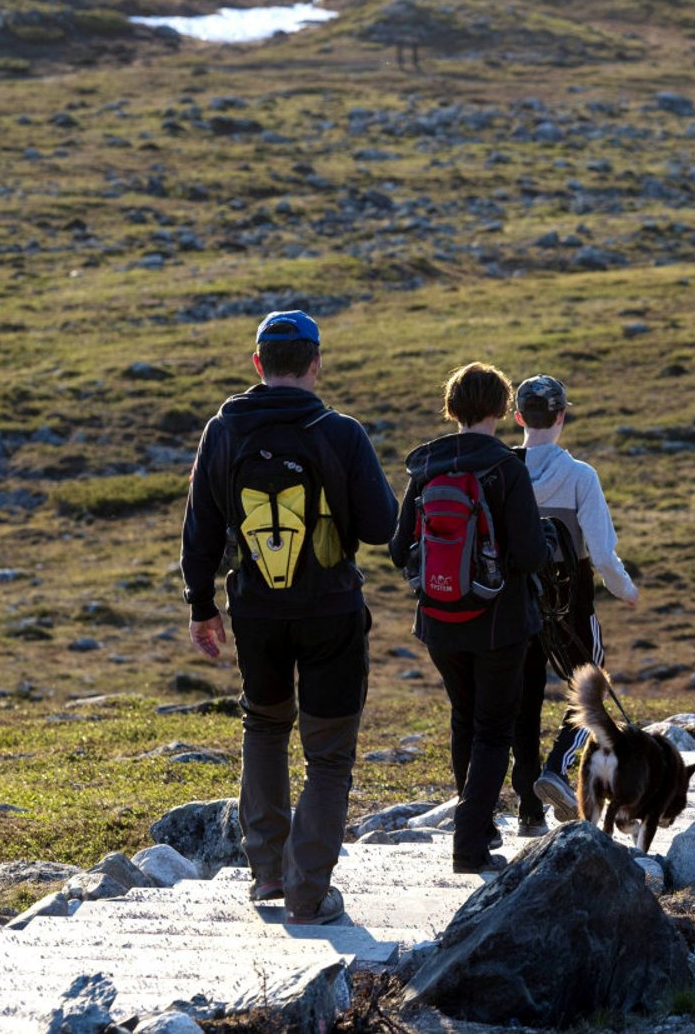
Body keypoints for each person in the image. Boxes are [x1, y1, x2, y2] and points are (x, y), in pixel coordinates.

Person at [181, 309, 398, 926]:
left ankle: (268, 874)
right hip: (330, 613)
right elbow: (384, 526)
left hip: (256, 612)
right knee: (329, 757)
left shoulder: (222, 431)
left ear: (258, 365)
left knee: (266, 728)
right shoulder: (342, 433)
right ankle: (308, 895)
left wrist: (202, 607)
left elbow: (200, 530)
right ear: (315, 363)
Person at [389, 361, 548, 873]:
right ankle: (469, 846)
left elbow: (397, 549)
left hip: (438, 619)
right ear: (503, 409)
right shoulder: (506, 467)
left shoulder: (425, 467)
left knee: (465, 719)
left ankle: (476, 827)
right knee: (493, 729)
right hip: (500, 623)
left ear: (451, 407)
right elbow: (527, 554)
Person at [508, 374, 640, 833]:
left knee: (523, 703)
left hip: (516, 599)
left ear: (519, 417)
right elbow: (602, 553)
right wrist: (626, 590)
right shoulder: (581, 476)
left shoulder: (505, 470)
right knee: (590, 684)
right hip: (571, 599)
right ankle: (556, 766)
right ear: (562, 416)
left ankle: (528, 811)